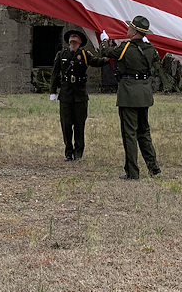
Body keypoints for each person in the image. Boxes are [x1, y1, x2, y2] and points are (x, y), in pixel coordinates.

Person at [99, 16, 163, 180]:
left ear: (134, 31)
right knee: (144, 132)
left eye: (130, 28)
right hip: (144, 93)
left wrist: (104, 40)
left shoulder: (126, 47)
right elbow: (155, 59)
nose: (127, 30)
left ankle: (132, 172)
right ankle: (153, 167)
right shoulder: (150, 48)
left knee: (129, 134)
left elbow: (106, 52)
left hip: (128, 93)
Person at [48, 28, 106, 161]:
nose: (73, 39)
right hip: (66, 95)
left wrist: (108, 56)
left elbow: (98, 62)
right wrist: (53, 91)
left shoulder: (85, 55)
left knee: (79, 124)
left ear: (80, 42)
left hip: (80, 95)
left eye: (76, 37)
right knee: (66, 125)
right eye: (71, 37)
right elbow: (55, 74)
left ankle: (79, 152)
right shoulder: (61, 54)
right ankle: (68, 152)